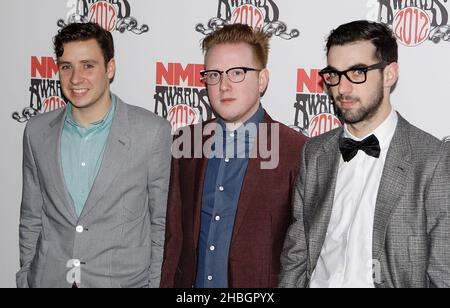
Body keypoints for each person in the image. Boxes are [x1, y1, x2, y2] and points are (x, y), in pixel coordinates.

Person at [279, 20, 450, 288]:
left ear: (390, 74)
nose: (342, 88)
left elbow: (443, 274)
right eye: (334, 74)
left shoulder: (433, 160)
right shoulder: (314, 153)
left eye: (357, 72)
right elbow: (296, 254)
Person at [16, 22, 172, 288]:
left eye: (88, 65)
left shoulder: (151, 132)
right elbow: (31, 215)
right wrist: (26, 276)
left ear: (110, 68)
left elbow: (161, 225)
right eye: (66, 67)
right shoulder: (36, 131)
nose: (76, 78)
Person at [160, 24, 306, 288]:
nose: (223, 86)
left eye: (237, 73)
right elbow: (174, 239)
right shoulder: (186, 144)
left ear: (262, 80)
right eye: (213, 75)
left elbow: (303, 253)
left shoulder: (296, 151)